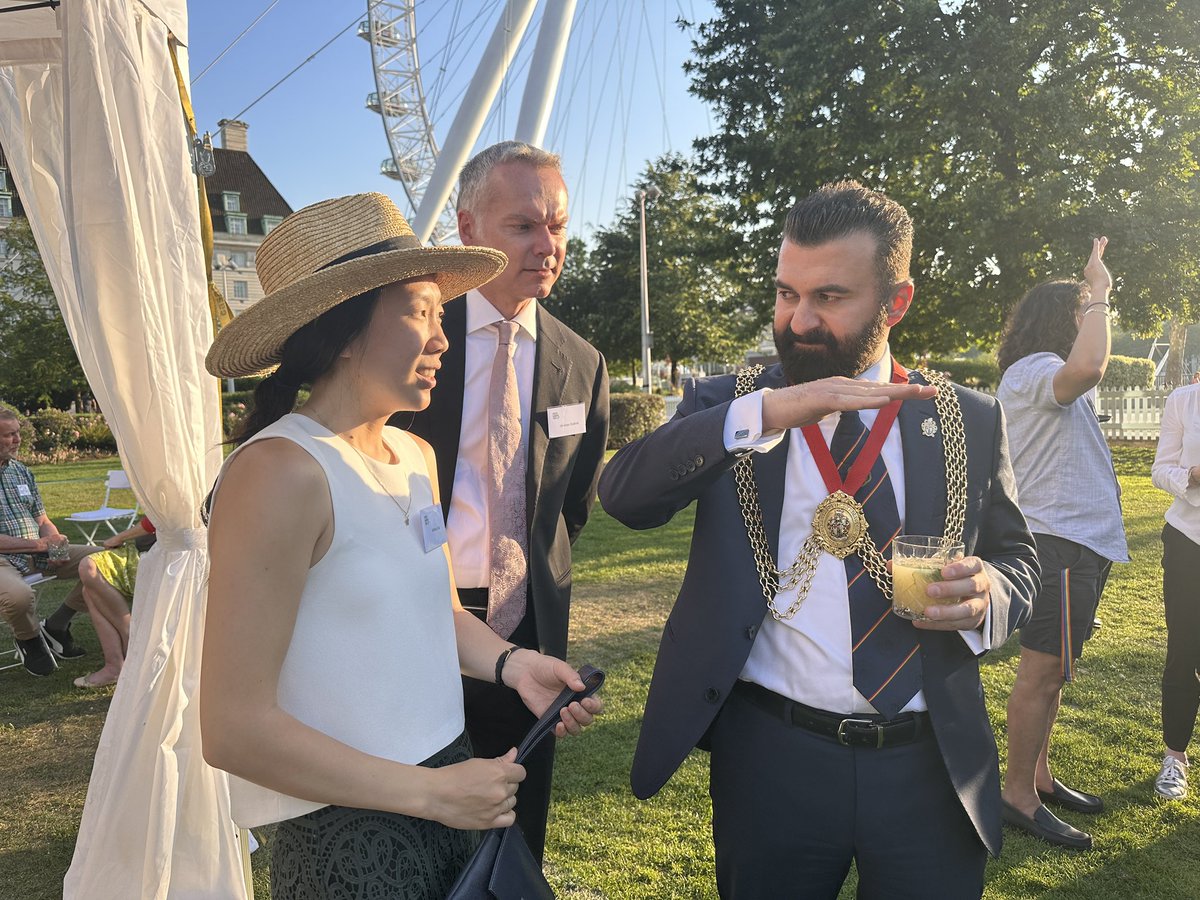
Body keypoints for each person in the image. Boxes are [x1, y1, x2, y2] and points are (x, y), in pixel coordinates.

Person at [598, 181, 1038, 899]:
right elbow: (626, 496)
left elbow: (1020, 558)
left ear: (896, 303)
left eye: (828, 298)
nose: (797, 320)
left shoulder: (966, 418)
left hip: (930, 764)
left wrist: (991, 591)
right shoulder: (730, 404)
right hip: (773, 760)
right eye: (784, 293)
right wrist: (766, 411)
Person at [201, 193, 601, 900]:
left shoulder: (413, 454)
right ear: (345, 329)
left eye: (441, 315)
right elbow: (233, 730)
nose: (444, 338)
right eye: (421, 312)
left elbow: (437, 615)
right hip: (348, 838)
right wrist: (430, 795)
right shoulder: (279, 473)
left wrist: (514, 665)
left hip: (447, 792)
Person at [400, 141, 609, 862]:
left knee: (514, 836)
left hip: (530, 629)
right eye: (524, 226)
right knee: (414, 825)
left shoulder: (582, 362)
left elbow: (570, 507)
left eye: (558, 226)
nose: (547, 246)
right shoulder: (410, 342)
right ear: (467, 227)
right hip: (416, 615)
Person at [997, 238, 1129, 850]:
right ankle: (1016, 796)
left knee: (1057, 669)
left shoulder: (1044, 376)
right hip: (1058, 543)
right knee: (1042, 671)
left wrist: (1097, 301)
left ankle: (1039, 776)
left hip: (1080, 543)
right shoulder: (1032, 374)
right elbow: (1088, 366)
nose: (1092, 321)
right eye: (1081, 313)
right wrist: (1099, 292)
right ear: (1061, 319)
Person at [0, 407, 100, 676]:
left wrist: (54, 544)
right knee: (19, 596)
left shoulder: (21, 472)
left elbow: (42, 521)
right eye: (10, 435)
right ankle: (29, 639)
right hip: (4, 562)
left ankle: (56, 625)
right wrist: (40, 546)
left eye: (18, 432)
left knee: (102, 561)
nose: (18, 440)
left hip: (37, 552)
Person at [1149, 382, 1200, 799]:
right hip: (1188, 542)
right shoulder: (1183, 400)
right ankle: (1175, 758)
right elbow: (1160, 469)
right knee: (1184, 651)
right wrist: (1193, 475)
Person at [72, 516, 154, 688]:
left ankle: (131, 643)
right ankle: (114, 665)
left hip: (164, 554)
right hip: (143, 548)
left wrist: (119, 537)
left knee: (89, 568)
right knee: (89, 589)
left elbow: (158, 518)